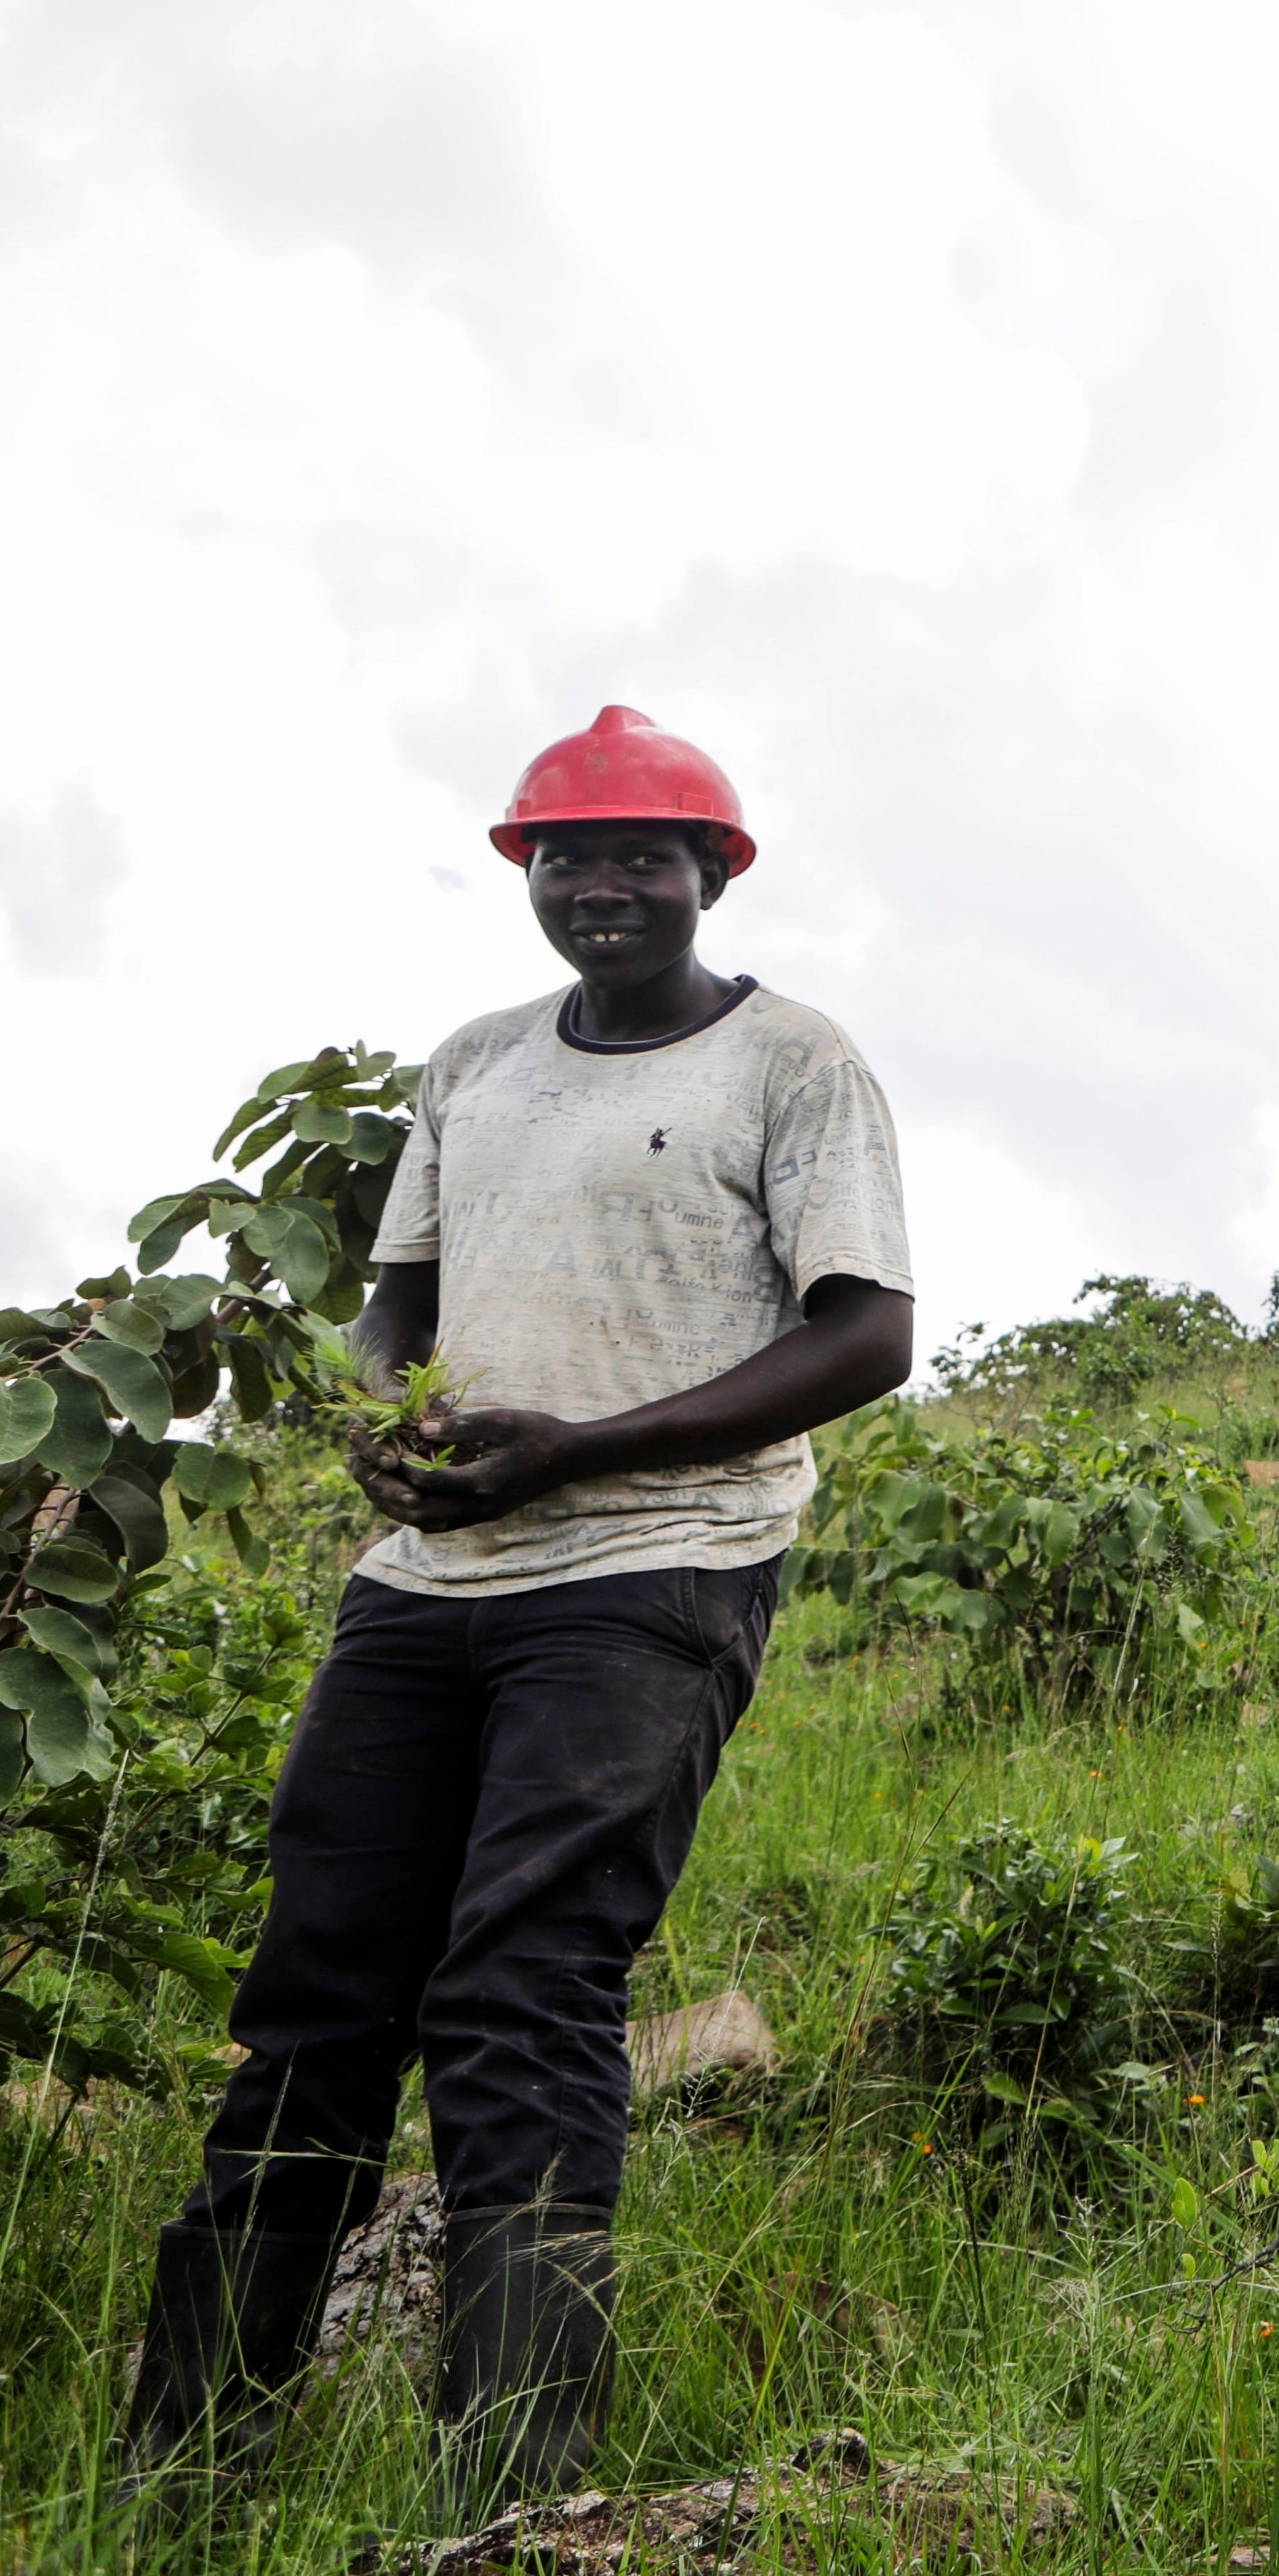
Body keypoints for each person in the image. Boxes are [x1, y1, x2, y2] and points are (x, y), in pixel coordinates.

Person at [118, 706, 917, 2517]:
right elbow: (396, 1295)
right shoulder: (474, 1060)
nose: (602, 884)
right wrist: (393, 1422)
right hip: (425, 1580)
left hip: (656, 1570)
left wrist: (581, 1452)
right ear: (526, 875)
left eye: (644, 853)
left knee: (523, 1986)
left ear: (714, 873)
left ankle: (504, 2490)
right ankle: (183, 2471)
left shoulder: (794, 1063)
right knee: (315, 1999)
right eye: (566, 854)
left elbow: (866, 1334)